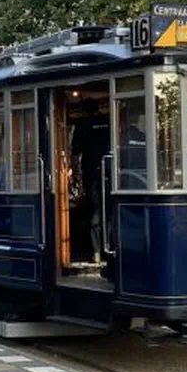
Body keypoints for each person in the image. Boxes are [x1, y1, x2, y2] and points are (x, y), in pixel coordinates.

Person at [70, 99, 110, 263]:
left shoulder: (82, 124)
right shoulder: (108, 122)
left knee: (94, 210)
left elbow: (75, 151)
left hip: (91, 172)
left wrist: (74, 175)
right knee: (108, 210)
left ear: (85, 111)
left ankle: (96, 252)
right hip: (110, 171)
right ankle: (109, 248)